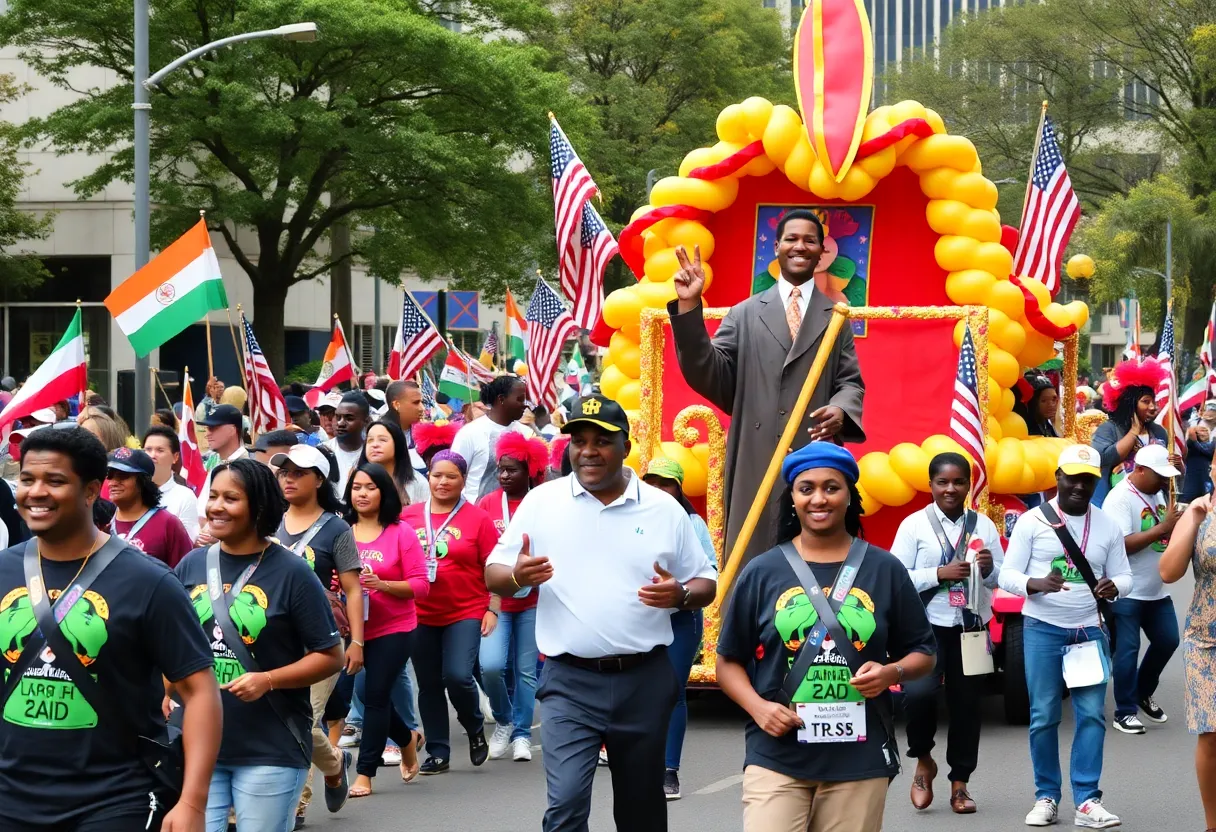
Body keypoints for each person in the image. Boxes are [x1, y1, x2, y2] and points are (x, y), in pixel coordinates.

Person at [485, 394, 719, 831]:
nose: (587, 450)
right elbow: (494, 573)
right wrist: (517, 576)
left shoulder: (663, 508)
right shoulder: (543, 502)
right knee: (566, 804)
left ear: (626, 446)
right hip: (568, 682)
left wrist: (681, 594)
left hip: (644, 679)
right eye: (578, 440)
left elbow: (706, 582)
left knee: (641, 808)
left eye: (601, 441)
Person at [3, 426, 222, 832]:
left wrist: (193, 802)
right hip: (11, 799)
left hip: (115, 799)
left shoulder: (149, 581)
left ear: (90, 492)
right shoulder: (3, 570)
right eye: (27, 479)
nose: (35, 492)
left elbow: (201, 691)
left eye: (54, 481)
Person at [715, 442, 935, 832]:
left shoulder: (885, 569)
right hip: (776, 754)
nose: (819, 498)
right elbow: (728, 660)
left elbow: (923, 653)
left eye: (831, 487)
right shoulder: (763, 571)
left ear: (850, 495)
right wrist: (759, 708)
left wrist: (891, 673)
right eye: (807, 488)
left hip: (860, 759)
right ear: (793, 498)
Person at [667, 209, 865, 567]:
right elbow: (709, 371)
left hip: (812, 460)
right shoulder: (744, 314)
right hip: (754, 459)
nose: (800, 246)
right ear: (776, 247)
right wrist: (689, 305)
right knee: (750, 561)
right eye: (791, 238)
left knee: (813, 561)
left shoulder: (837, 316)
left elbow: (849, 382)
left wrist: (840, 409)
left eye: (810, 240)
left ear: (822, 251)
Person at [174, 458, 345, 832]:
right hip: (198, 742)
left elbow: (331, 656)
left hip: (270, 744)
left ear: (259, 507)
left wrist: (267, 679)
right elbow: (170, 641)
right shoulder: (190, 565)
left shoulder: (293, 572)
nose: (216, 506)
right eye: (213, 496)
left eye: (231, 498)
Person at [998, 444, 1133, 829]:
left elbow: (1125, 575)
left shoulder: (1106, 524)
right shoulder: (1031, 521)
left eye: (1088, 480)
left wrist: (1114, 587)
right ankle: (1046, 796)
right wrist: (1034, 584)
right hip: (1042, 629)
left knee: (1091, 715)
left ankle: (1088, 800)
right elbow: (1007, 575)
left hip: (1089, 630)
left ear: (1097, 482)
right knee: (1043, 716)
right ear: (1057, 476)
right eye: (1072, 477)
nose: (1079, 486)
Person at [890, 452, 1003, 815]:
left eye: (958, 482)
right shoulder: (914, 526)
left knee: (968, 706)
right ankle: (924, 760)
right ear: (931, 485)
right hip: (925, 629)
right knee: (918, 696)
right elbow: (897, 576)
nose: (950, 489)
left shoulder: (983, 524)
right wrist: (938, 573)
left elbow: (1001, 576)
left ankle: (960, 784)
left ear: (969, 485)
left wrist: (988, 568)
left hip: (972, 627)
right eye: (943, 482)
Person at [270, 444, 365, 825]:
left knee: (305, 722)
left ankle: (296, 805)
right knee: (279, 720)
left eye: (298, 472)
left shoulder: (337, 528)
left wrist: (356, 642)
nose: (289, 478)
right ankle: (336, 761)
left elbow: (353, 589)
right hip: (273, 638)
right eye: (284, 471)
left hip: (322, 640)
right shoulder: (268, 520)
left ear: (319, 480)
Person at [402, 449, 500, 775]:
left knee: (458, 675)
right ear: (428, 477)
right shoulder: (409, 516)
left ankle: (473, 726)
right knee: (429, 684)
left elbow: (494, 566)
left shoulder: (478, 519)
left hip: (466, 610)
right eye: (436, 475)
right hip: (419, 612)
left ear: (462, 480)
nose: (443, 482)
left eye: (451, 476)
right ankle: (439, 752)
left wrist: (493, 608)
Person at [343, 463, 430, 796]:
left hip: (396, 628)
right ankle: (408, 739)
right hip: (354, 630)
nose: (362, 494)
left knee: (376, 695)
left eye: (370, 487)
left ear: (384, 493)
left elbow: (421, 586)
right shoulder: (341, 531)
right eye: (356, 487)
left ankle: (366, 773)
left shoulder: (401, 532)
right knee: (366, 694)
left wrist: (383, 585)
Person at [641, 457, 719, 800]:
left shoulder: (692, 522)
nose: (659, 489)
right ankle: (640, 762)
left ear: (679, 488)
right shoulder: (630, 517)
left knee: (672, 692)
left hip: (680, 617)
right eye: (652, 482)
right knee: (635, 691)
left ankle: (669, 770)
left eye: (666, 483)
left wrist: (681, 590)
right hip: (637, 618)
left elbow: (710, 570)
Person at [476, 432, 549, 763]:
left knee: (525, 672)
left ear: (530, 471)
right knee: (490, 666)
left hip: (534, 601)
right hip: (497, 601)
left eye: (512, 470)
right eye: (501, 469)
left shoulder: (542, 503)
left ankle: (521, 733)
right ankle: (504, 721)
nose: (504, 476)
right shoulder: (488, 504)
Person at [1100, 444, 1183, 734]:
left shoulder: (1157, 490)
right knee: (1126, 650)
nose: (1163, 481)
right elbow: (1122, 544)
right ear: (1140, 470)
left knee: (1168, 640)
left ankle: (1142, 692)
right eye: (1159, 475)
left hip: (1156, 590)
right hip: (1127, 590)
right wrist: (1163, 528)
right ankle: (1124, 712)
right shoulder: (1119, 498)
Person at [1160, 478, 1216, 831]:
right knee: (1211, 732)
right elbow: (1168, 571)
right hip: (1205, 636)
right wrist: (1193, 519)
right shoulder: (1199, 510)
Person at [1090, 359, 1171, 507]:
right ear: (1131, 403)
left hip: (1153, 504)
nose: (1153, 407)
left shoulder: (1159, 432)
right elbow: (1105, 459)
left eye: (1154, 401)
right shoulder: (1109, 429)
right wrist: (1134, 432)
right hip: (1115, 503)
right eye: (1146, 401)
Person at [105, 447, 193, 567]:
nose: (113, 482)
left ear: (142, 481)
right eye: (110, 475)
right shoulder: (103, 522)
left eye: (122, 476)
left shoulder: (167, 524)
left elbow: (185, 573)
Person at [451, 375, 530, 502]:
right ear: (501, 399)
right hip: (477, 514)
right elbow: (454, 474)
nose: (525, 406)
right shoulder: (469, 433)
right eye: (519, 400)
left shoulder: (527, 433)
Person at [143, 425, 201, 541]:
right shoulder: (133, 491)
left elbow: (187, 543)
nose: (152, 455)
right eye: (148, 450)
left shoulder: (185, 497)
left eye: (160, 450)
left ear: (175, 457)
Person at [359, 419, 427, 505]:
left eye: (382, 440)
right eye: (370, 440)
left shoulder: (418, 483)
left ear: (397, 444)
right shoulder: (357, 479)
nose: (375, 445)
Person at [327, 392, 370, 498]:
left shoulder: (372, 453)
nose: (340, 423)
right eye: (338, 417)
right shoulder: (322, 451)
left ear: (366, 421)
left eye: (349, 418)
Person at [1184, 424, 1215, 502]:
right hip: (1191, 482)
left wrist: (1195, 442)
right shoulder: (1190, 445)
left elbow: (1208, 451)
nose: (1204, 433)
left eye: (1205, 431)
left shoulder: (1211, 445)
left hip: (1205, 482)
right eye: (1201, 431)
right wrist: (1192, 440)